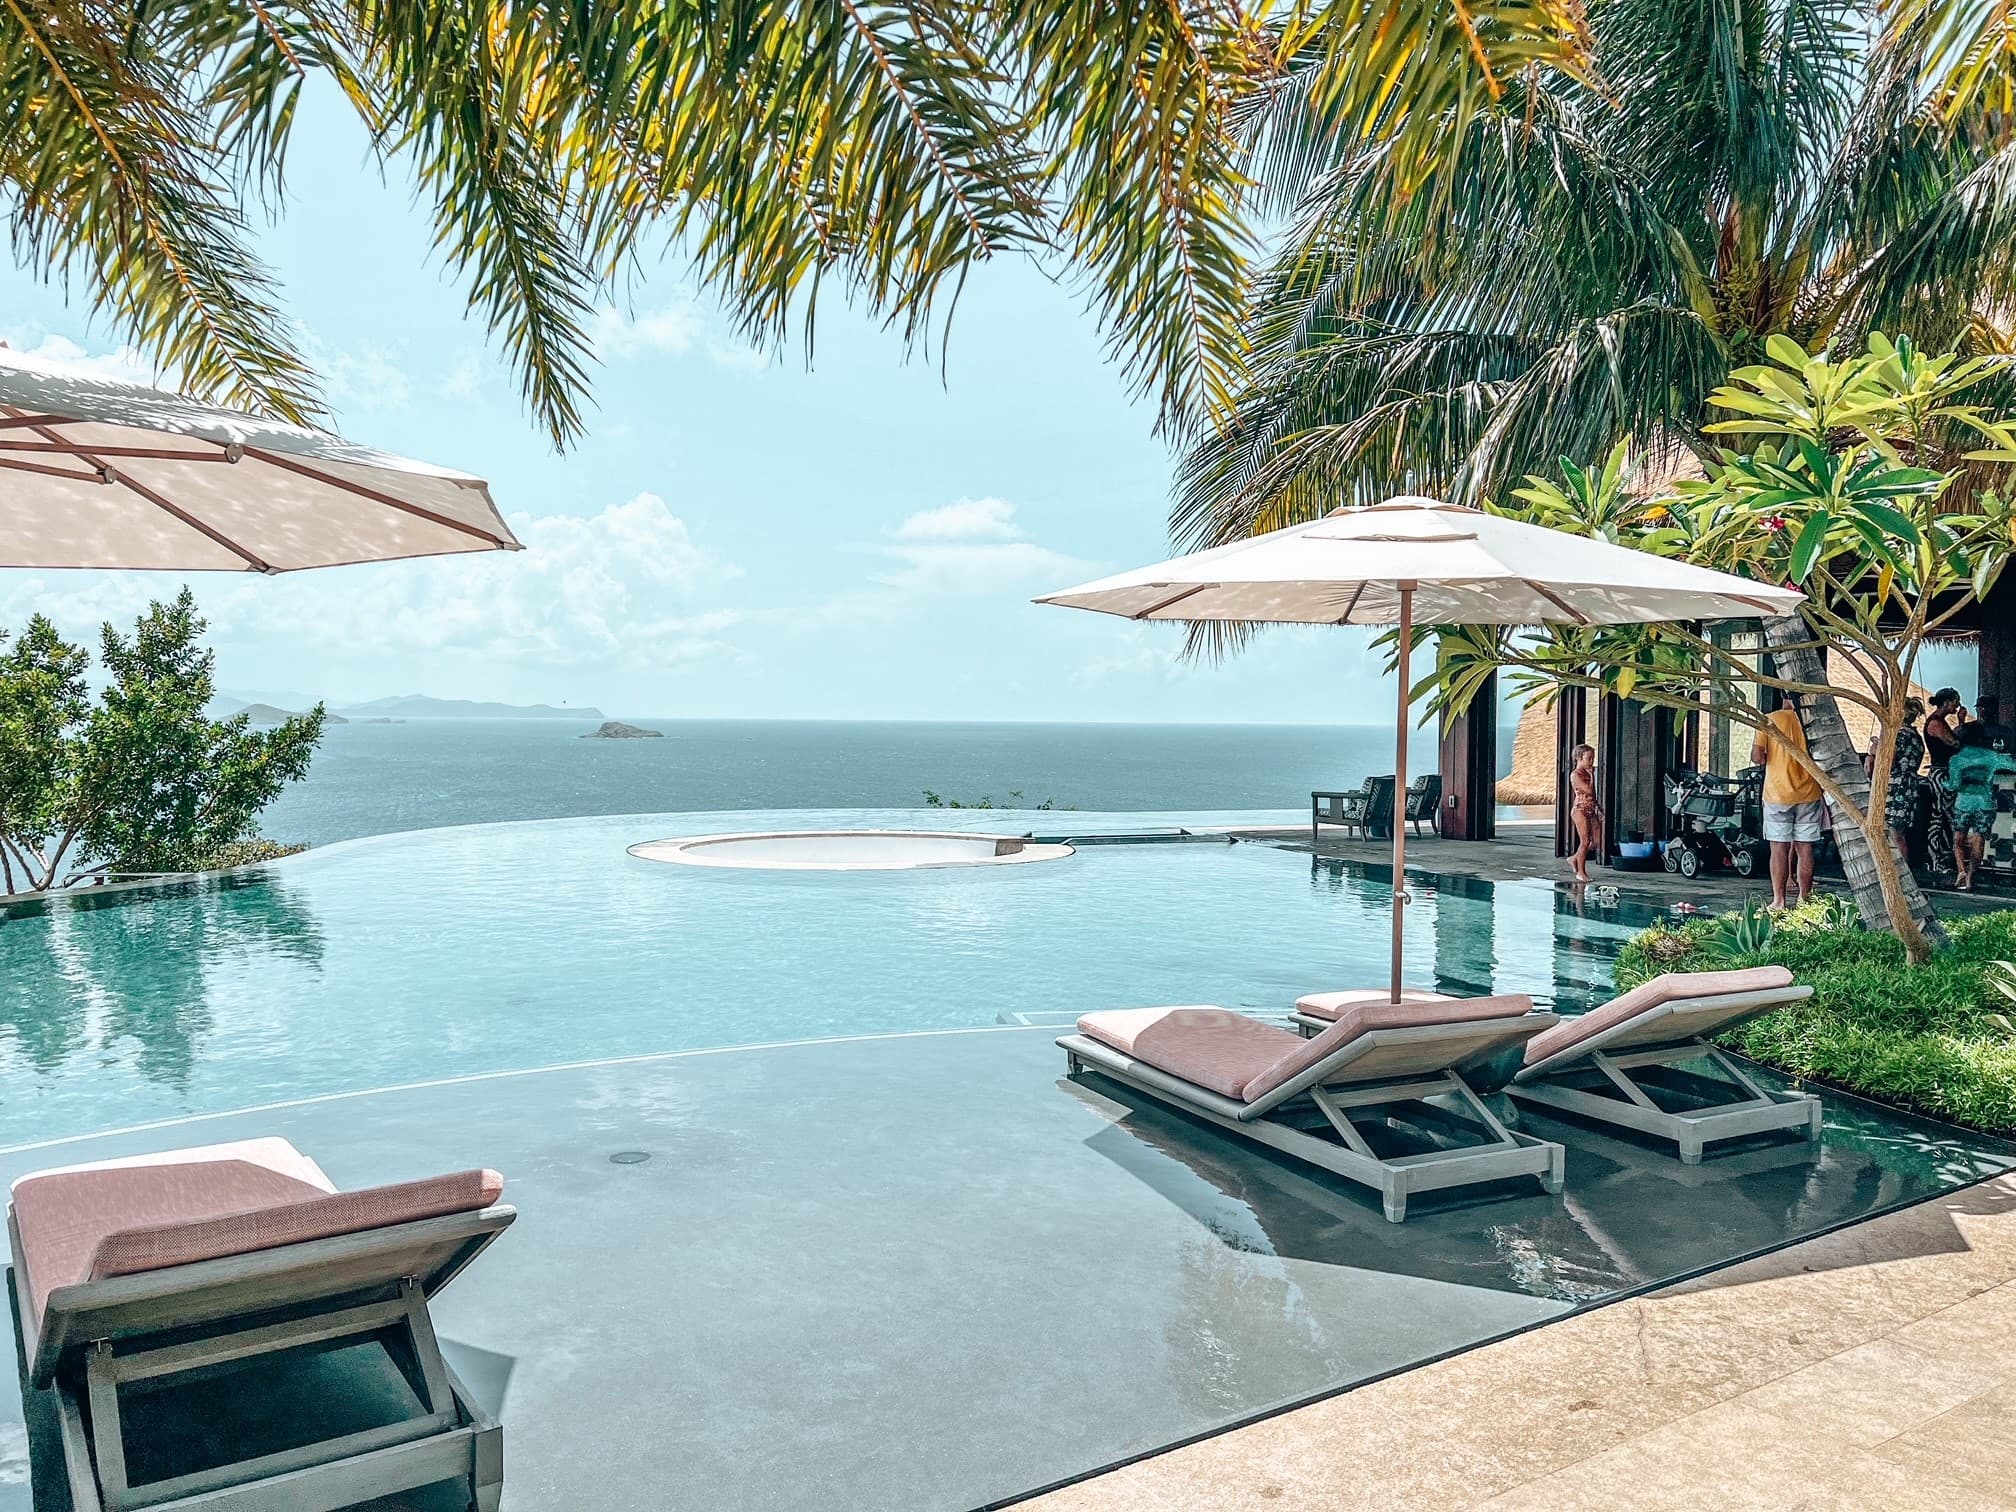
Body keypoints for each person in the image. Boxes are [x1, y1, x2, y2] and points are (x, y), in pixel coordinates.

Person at [1751, 694, 1823, 909]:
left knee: (1779, 849)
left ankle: (1779, 900)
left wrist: (1767, 756)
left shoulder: (1769, 720)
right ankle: (1804, 898)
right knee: (1805, 849)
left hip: (1778, 794)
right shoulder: (1812, 722)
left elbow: (1757, 757)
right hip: (1809, 793)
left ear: (1782, 695)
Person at [1946, 724, 2016, 890]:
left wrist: (1945, 784)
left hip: (1963, 803)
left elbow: (1953, 784)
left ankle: (1961, 871)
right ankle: (1970, 877)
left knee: (1958, 841)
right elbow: (2013, 765)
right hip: (1984, 803)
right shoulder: (1992, 756)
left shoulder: (1956, 759)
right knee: (1978, 841)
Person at [1888, 696, 1927, 863]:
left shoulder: (1898, 736)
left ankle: (1901, 870)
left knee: (1895, 832)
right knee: (1900, 831)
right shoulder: (1916, 738)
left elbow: (1889, 762)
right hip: (1910, 784)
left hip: (1896, 785)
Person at [1566, 742, 1602, 883]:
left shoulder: (1587, 772)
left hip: (1590, 809)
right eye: (1589, 759)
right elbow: (1588, 790)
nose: (1592, 762)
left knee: (1597, 840)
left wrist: (1598, 807)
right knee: (1585, 841)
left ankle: (1574, 858)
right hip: (1580, 810)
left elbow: (1593, 796)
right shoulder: (1576, 775)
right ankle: (1581, 872)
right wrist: (1592, 776)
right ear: (1579, 758)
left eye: (1593, 758)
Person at [1926, 688, 1964, 776]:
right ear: (1946, 702)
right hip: (1941, 773)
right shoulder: (1936, 723)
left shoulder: (1939, 721)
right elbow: (1956, 744)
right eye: (1955, 701)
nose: (1958, 705)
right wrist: (1961, 723)